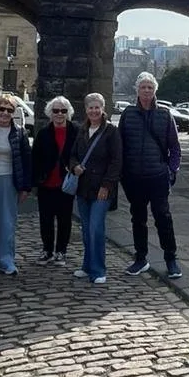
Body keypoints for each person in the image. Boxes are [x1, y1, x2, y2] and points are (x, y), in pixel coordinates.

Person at [117, 71, 182, 279]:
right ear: (137, 90)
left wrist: (172, 170)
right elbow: (120, 146)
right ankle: (140, 258)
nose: (146, 91)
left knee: (163, 217)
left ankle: (170, 258)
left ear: (155, 90)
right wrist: (122, 173)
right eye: (143, 87)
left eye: (150, 87)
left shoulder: (165, 114)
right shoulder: (128, 114)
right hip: (134, 177)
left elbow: (175, 147)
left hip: (157, 175)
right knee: (138, 219)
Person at [71, 93, 122, 287]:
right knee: (86, 229)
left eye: (97, 107)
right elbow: (73, 155)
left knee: (95, 228)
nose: (94, 111)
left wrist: (106, 185)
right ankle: (87, 265)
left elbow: (116, 161)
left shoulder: (111, 131)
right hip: (83, 188)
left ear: (103, 109)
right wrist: (74, 166)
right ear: (86, 110)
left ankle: (99, 269)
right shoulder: (82, 130)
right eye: (90, 107)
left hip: (102, 188)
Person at [0, 93, 32, 275]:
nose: (5, 113)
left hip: (9, 180)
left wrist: (25, 187)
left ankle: (6, 260)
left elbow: (27, 160)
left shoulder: (20, 132)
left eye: (10, 110)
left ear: (14, 112)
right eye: (2, 109)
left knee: (7, 222)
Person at [31, 97, 77, 264]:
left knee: (65, 219)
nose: (59, 114)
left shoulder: (75, 132)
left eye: (63, 111)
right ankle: (47, 250)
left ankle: (61, 251)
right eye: (56, 110)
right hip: (46, 183)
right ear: (50, 112)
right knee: (46, 219)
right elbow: (35, 158)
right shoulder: (43, 133)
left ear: (68, 113)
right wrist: (34, 181)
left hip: (66, 183)